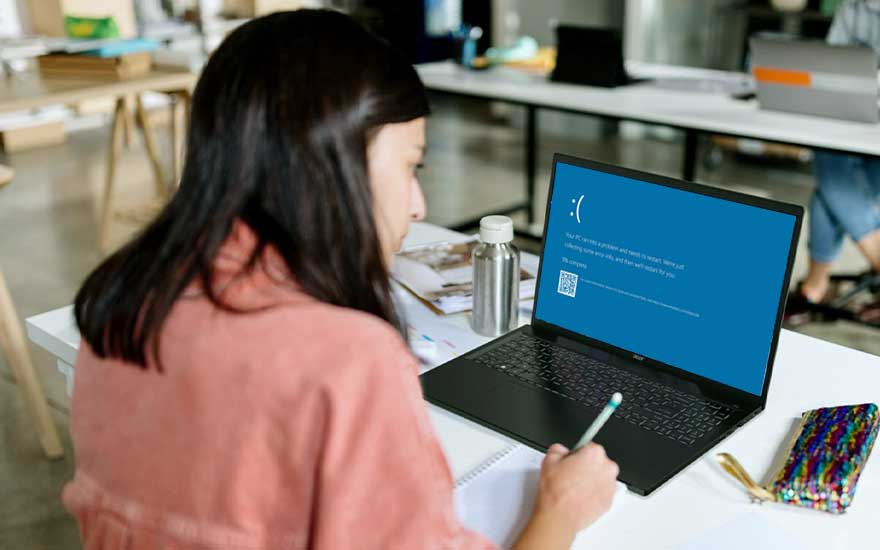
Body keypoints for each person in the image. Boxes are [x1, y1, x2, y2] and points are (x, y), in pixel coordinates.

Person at [66, 10, 619, 550]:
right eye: (410, 166)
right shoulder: (347, 362)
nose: (419, 205)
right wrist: (559, 511)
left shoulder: (122, 299)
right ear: (334, 165)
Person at [793, 0, 880, 310]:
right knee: (831, 160)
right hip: (856, 111)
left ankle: (815, 285)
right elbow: (832, 60)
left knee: (831, 184)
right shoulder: (853, 5)